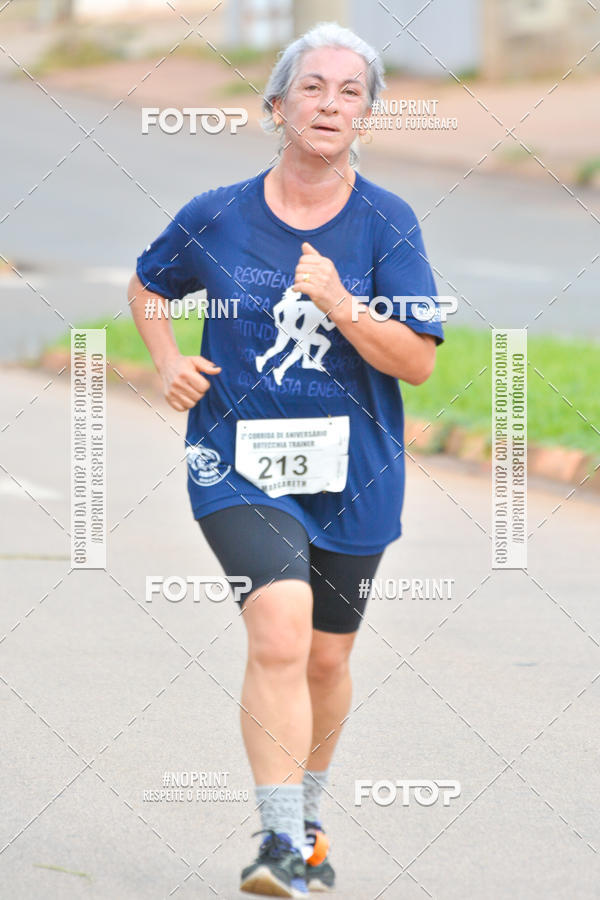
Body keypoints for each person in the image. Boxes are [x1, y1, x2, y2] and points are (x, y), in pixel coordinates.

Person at [129, 21, 444, 898]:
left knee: (326, 660)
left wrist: (343, 304)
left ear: (368, 118)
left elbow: (416, 360)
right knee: (278, 627)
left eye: (351, 92)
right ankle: (276, 847)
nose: (331, 103)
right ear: (277, 106)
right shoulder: (218, 214)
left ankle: (306, 821)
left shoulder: (388, 220)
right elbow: (150, 284)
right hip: (237, 460)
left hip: (355, 473)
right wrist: (166, 359)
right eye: (313, 87)